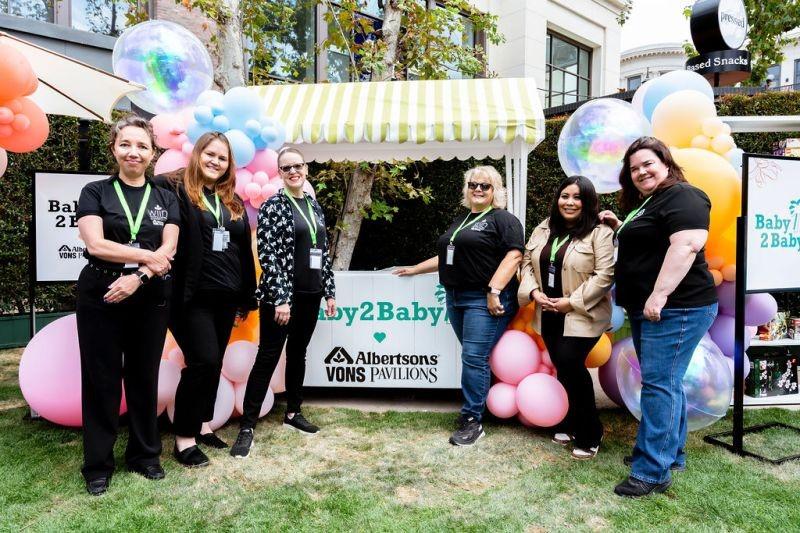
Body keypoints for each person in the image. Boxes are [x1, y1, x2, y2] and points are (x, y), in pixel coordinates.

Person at [599, 136, 718, 497]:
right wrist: (621, 225)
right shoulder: (650, 202)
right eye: (634, 168)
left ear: (666, 163)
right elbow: (652, 239)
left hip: (676, 308)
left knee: (658, 385)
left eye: (647, 163)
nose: (640, 172)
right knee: (666, 382)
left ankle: (652, 471)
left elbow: (685, 245)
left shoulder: (685, 195)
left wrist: (659, 295)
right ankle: (671, 454)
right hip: (651, 310)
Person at [75, 115, 180, 496]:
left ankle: (145, 455)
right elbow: (96, 245)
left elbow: (169, 249)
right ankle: (98, 464)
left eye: (142, 146)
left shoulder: (166, 197)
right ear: (114, 149)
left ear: (152, 154)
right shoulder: (95, 191)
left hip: (148, 293)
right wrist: (144, 255)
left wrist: (138, 275)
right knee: (101, 379)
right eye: (126, 145)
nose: (133, 152)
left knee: (143, 376)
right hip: (102, 292)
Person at [394, 166, 524, 446]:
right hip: (456, 297)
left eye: (485, 186)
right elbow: (448, 256)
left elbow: (514, 257)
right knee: (473, 356)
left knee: (474, 358)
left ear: (496, 191)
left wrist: (494, 290)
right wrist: (415, 269)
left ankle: (472, 420)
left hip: (484, 299)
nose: (478, 189)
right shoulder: (462, 219)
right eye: (473, 184)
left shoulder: (503, 219)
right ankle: (477, 409)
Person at [153, 132, 257, 468]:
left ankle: (201, 423)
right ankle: (183, 439)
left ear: (230, 165)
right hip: (190, 296)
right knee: (204, 361)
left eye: (222, 158)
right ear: (197, 155)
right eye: (209, 154)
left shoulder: (232, 200)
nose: (215, 162)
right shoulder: (176, 191)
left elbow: (242, 251)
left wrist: (245, 297)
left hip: (226, 296)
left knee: (212, 365)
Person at [230, 147, 336, 458]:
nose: (293, 171)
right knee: (268, 357)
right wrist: (280, 298)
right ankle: (247, 425)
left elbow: (322, 253)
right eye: (286, 167)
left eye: (298, 165)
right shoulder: (273, 206)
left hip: (311, 295)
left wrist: (329, 291)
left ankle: (293, 412)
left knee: (298, 353)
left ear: (306, 169)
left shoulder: (314, 207)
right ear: (280, 172)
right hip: (282, 300)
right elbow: (268, 255)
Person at [518, 175, 614, 459]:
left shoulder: (600, 233)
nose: (570, 202)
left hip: (582, 314)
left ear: (588, 203)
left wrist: (570, 303)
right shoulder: (544, 228)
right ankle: (570, 421)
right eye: (565, 196)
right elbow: (526, 263)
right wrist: (534, 292)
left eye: (577, 198)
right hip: (547, 311)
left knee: (572, 365)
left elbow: (605, 275)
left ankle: (591, 431)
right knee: (562, 367)